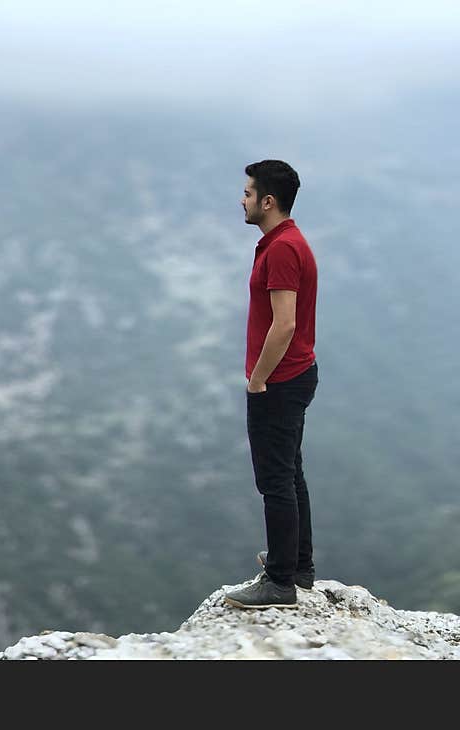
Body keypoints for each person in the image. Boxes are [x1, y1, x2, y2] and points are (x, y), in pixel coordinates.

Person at [224, 160, 319, 609]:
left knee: (275, 481)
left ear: (268, 201)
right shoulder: (283, 242)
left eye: (247, 192)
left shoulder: (282, 248)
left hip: (279, 381)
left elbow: (284, 324)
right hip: (296, 375)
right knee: (291, 473)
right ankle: (297, 565)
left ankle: (280, 583)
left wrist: (258, 380)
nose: (240, 200)